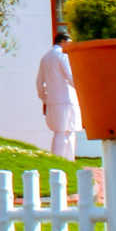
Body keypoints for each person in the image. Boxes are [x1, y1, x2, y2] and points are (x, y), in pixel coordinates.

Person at [35, 27, 82, 160]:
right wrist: (82, 90)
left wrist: (45, 99)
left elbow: (39, 82)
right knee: (69, 132)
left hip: (53, 101)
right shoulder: (62, 55)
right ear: (62, 41)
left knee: (59, 133)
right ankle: (68, 160)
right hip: (67, 100)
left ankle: (58, 161)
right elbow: (70, 76)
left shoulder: (45, 58)